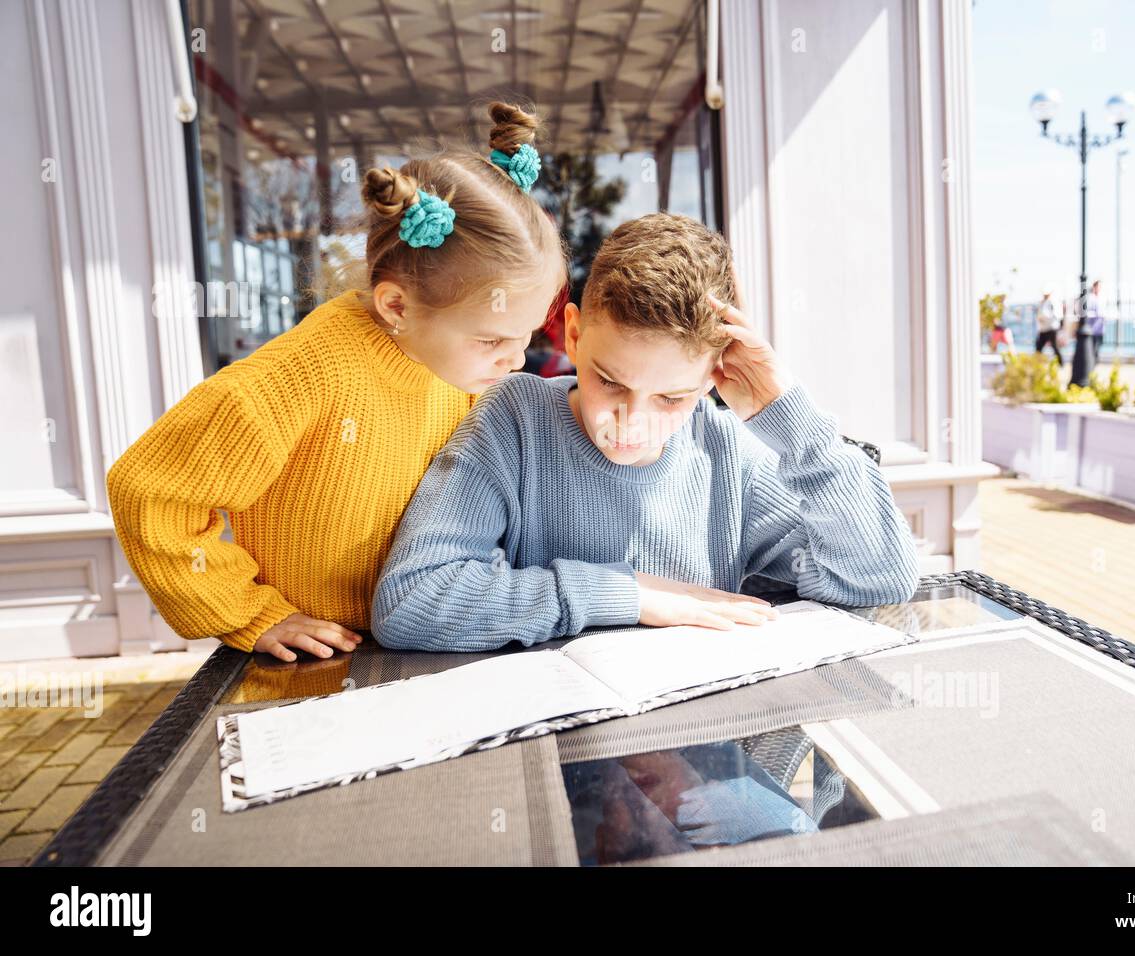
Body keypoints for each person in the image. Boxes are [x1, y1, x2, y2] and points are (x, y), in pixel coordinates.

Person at [106, 102, 567, 661]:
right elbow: (149, 489)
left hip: (430, 635)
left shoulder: (459, 365)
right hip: (322, 658)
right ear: (396, 304)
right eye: (494, 339)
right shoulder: (301, 377)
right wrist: (248, 611)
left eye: (526, 337)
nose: (515, 360)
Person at [370, 213, 920, 652]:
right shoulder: (514, 421)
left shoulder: (725, 455)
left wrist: (793, 422)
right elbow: (410, 601)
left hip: (699, 756)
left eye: (671, 398)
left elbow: (878, 580)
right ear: (575, 337)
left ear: (715, 374)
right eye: (609, 381)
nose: (631, 422)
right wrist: (626, 595)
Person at [1070, 278, 1104, 387]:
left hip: (1099, 330)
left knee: (1096, 353)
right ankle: (1089, 375)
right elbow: (1085, 313)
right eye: (1098, 286)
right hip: (1091, 331)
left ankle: (1091, 374)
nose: (1099, 288)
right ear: (1094, 287)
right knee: (1092, 353)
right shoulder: (1090, 299)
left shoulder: (1100, 299)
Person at [1034, 290, 1063, 364]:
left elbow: (1056, 315)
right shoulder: (1041, 303)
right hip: (1043, 329)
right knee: (1039, 347)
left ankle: (1061, 363)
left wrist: (1044, 317)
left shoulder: (1052, 302)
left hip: (1051, 328)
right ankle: (1036, 363)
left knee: (1054, 347)